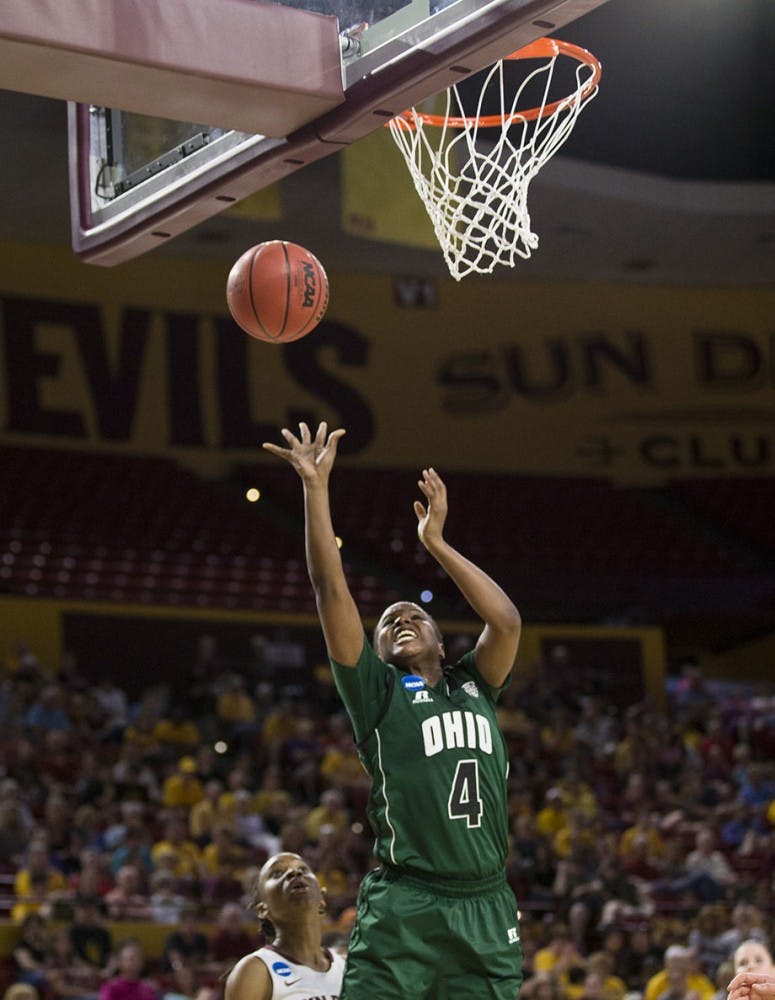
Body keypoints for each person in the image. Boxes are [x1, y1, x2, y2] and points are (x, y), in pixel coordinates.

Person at [263, 422, 523, 999]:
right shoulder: (376, 693)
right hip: (406, 899)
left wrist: (437, 544)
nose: (402, 619)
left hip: (487, 902)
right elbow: (330, 590)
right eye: (389, 622)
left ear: (440, 640)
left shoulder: (475, 684)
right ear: (377, 651)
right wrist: (315, 488)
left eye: (416, 616)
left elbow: (505, 622)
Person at [224, 851, 345, 1000]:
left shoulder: (347, 964)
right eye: (277, 873)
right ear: (263, 909)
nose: (294, 872)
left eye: (303, 870)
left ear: (321, 899)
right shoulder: (256, 971)